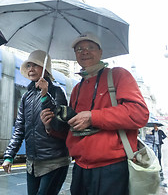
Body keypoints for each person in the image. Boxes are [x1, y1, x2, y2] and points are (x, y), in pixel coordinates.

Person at [41, 32, 149, 195]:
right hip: (80, 169)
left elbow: (139, 113)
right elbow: (75, 130)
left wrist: (93, 117)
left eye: (90, 47)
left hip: (112, 169)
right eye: (79, 49)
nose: (84, 51)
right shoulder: (77, 88)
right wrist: (51, 127)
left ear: (100, 52)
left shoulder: (118, 75)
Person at [2, 50, 71, 195]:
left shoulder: (58, 92)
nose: (31, 69)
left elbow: (60, 126)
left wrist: (45, 96)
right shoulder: (26, 97)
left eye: (36, 65)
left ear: (45, 69)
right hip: (32, 163)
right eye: (29, 66)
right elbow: (20, 127)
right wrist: (9, 155)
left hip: (54, 162)